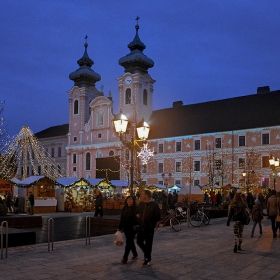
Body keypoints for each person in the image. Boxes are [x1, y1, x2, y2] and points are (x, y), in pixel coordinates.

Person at [136, 190, 161, 266]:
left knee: (148, 243)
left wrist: (152, 221)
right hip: (141, 226)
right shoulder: (141, 204)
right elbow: (137, 212)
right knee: (139, 241)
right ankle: (146, 253)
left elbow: (157, 216)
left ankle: (147, 258)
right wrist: (137, 215)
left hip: (149, 227)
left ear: (146, 195)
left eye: (142, 194)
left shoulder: (154, 205)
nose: (141, 195)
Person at [117, 196, 138, 264]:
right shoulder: (124, 208)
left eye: (130, 199)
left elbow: (138, 218)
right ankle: (135, 253)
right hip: (126, 227)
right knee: (130, 241)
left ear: (133, 200)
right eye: (128, 199)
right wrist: (119, 227)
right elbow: (122, 218)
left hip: (133, 227)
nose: (129, 201)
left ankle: (125, 258)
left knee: (128, 242)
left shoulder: (136, 208)